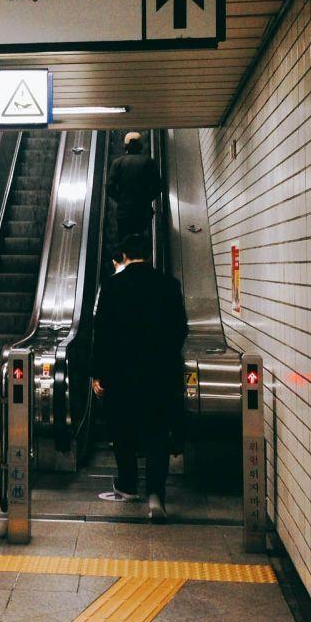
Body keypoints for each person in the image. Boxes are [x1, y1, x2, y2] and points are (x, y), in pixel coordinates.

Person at [91, 233, 188, 522]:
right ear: (149, 254)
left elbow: (102, 332)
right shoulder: (169, 286)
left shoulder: (111, 287)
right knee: (157, 433)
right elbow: (180, 329)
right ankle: (156, 492)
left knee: (123, 429)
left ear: (123, 255)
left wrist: (98, 373)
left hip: (121, 375)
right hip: (160, 375)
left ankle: (128, 483)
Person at [107, 132, 162, 242]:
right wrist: (146, 199)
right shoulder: (149, 162)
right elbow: (158, 186)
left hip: (124, 211)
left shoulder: (118, 162)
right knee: (140, 238)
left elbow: (110, 187)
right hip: (143, 210)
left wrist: (121, 200)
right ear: (141, 146)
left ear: (125, 146)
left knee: (123, 239)